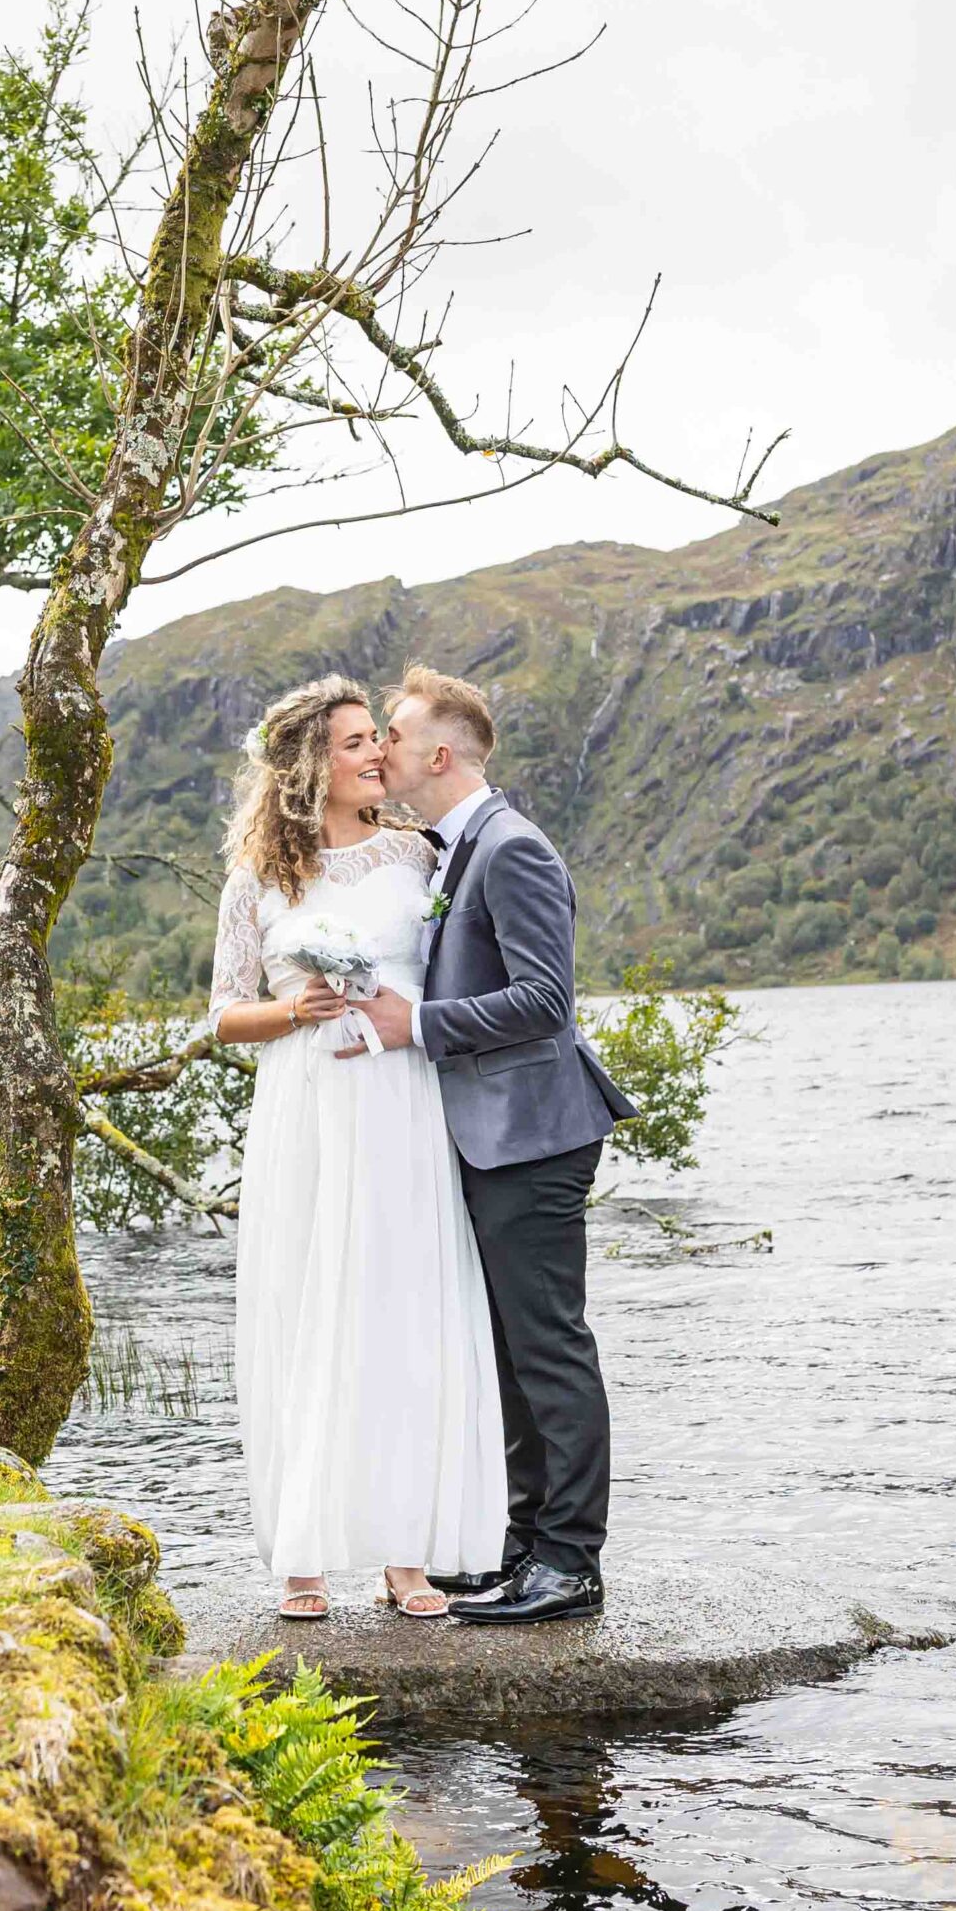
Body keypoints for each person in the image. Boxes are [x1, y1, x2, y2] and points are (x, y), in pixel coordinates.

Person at [208, 675, 507, 1622]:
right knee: (308, 1314)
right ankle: (303, 1550)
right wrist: (293, 1009)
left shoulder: (420, 859)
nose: (376, 752)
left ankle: (404, 1554)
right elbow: (222, 1015)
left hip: (400, 1106)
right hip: (307, 1109)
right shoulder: (260, 876)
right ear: (308, 764)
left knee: (402, 1314)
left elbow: (458, 982)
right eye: (353, 742)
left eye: (377, 737)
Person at [343, 664, 633, 1626]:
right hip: (487, 1134)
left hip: (534, 1135)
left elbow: (547, 1003)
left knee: (548, 1346)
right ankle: (523, 1545)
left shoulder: (511, 849)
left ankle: (572, 1562)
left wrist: (416, 1022)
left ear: (437, 752)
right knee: (506, 1348)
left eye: (391, 730)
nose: (379, 744)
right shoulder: (451, 849)